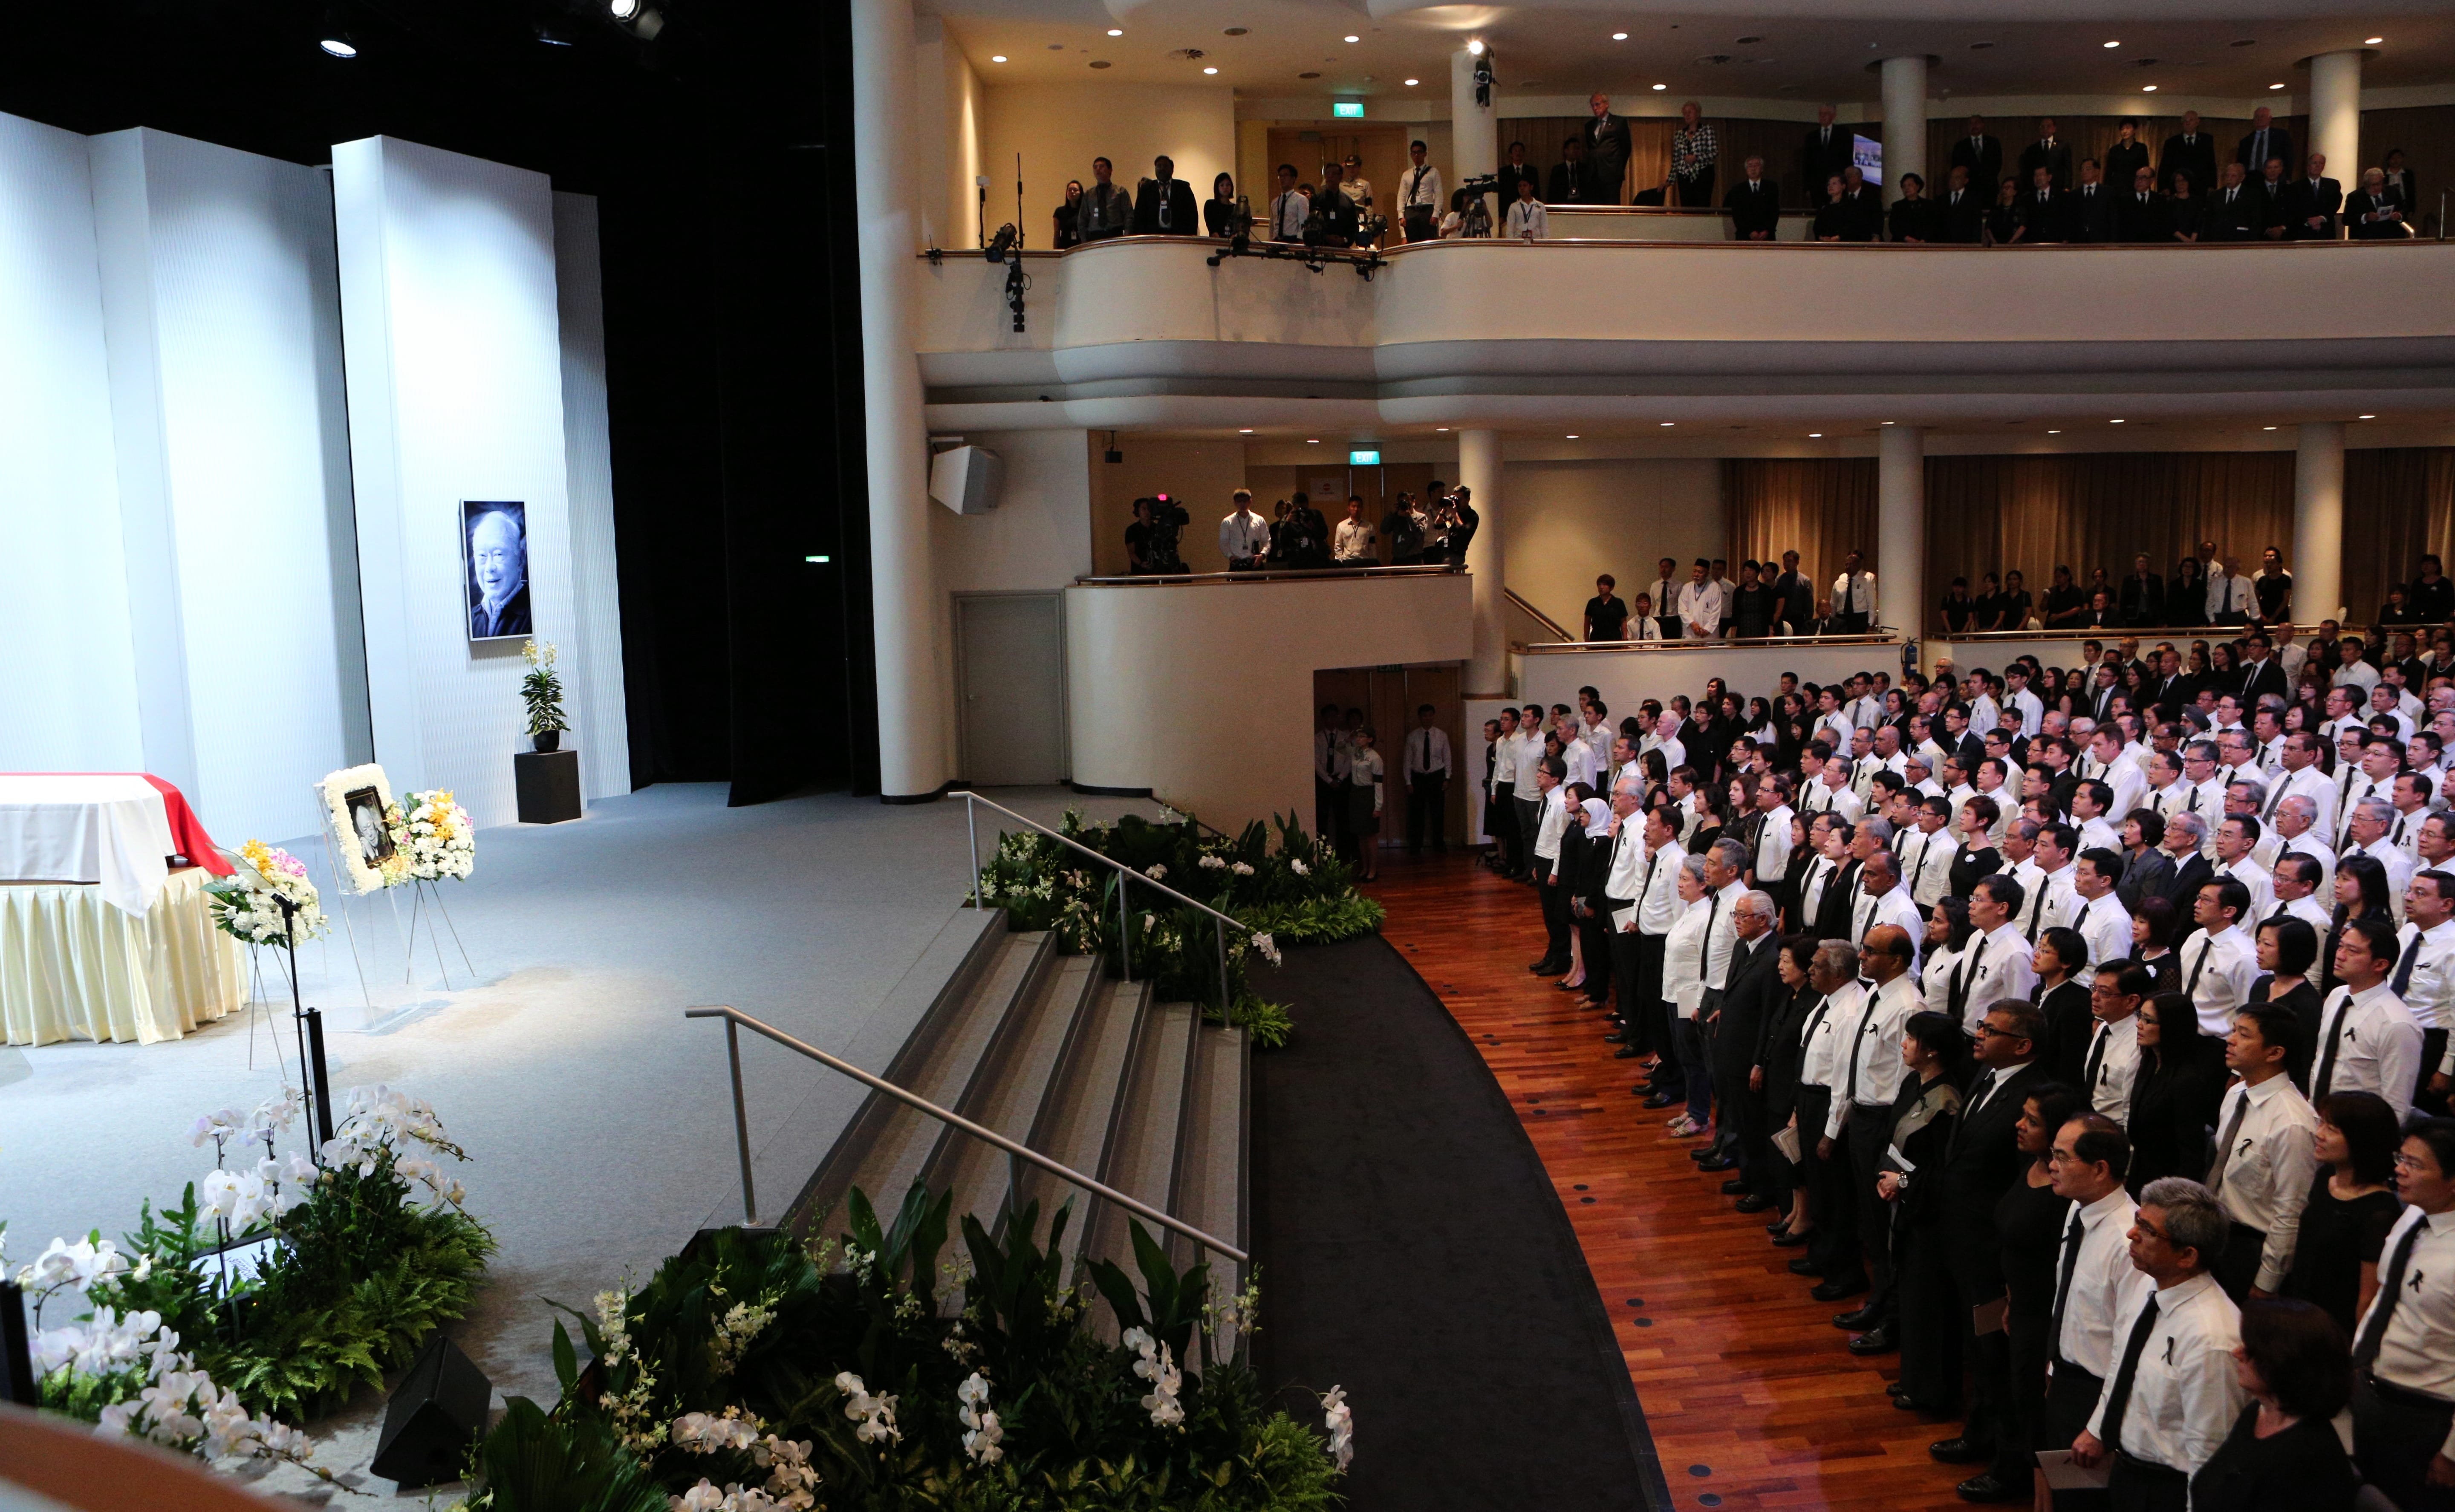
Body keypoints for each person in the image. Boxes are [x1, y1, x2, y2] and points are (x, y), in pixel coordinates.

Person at [2070, 1177, 2247, 1505]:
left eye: (2148, 1231)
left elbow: (2211, 1454)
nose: (2131, 1234)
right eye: (2138, 1220)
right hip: (2126, 1470)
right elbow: (2122, 1363)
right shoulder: (2149, 1287)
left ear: (2187, 1256)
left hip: (2168, 1491)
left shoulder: (2213, 1338)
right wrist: (2099, 1429)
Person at [2348, 1118, 2455, 1512]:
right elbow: (2384, 1297)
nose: (2399, 1170)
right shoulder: (2412, 1214)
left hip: (2426, 1416)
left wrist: (2452, 1453)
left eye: (2416, 1164)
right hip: (2371, 1390)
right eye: (2400, 1157)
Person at [1871, 1012, 1969, 1402]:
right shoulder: (1915, 1080)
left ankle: (1930, 1388)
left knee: (1927, 1303)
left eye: (1911, 1039)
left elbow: (1943, 1169)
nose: (1904, 1044)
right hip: (1902, 1202)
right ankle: (1914, 1377)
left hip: (1928, 1213)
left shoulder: (1947, 1101)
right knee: (1909, 1297)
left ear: (1932, 1051)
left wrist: (1904, 1183)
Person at [2188, 1299, 2359, 1512]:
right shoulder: (2257, 1414)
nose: (2237, 1353)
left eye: (2251, 1350)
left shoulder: (2309, 1457)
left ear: (2282, 1361)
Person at [2208, 1003, 2319, 1303]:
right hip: (2217, 1233)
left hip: (2252, 1248)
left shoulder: (2293, 1123)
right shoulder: (2235, 1094)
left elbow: (2291, 1210)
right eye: (2233, 1032)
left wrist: (2267, 1282)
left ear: (2275, 1053)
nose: (2231, 1040)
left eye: (2244, 1035)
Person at [2279, 1091, 2404, 1337]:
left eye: (2332, 1129)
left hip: (2334, 1330)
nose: (2319, 1134)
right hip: (2299, 1313)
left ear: (2361, 1140)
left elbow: (2367, 1298)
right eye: (2321, 1123)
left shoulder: (2380, 1212)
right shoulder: (2326, 1178)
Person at [2129, 992, 2224, 1191]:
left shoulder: (2187, 1081)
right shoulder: (2149, 1062)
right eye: (2140, 1016)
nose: (2139, 1024)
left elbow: (2190, 1152)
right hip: (2140, 1173)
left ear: (2172, 1028)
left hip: (2168, 1185)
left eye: (2148, 1020)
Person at [466, 505, 530, 638]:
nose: (490, 568)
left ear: (520, 559)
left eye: (498, 554)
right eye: (482, 556)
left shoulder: (535, 612)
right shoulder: (471, 618)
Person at [1401, 704, 1451, 856]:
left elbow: (1447, 757)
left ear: (1434, 716)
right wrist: (1408, 781)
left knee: (1438, 813)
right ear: (1420, 717)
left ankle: (1439, 844)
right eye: (1424, 716)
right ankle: (1416, 846)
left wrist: (1447, 777)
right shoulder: (1413, 736)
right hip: (1418, 778)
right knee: (1417, 813)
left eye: (1430, 715)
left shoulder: (1442, 735)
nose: (1427, 718)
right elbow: (1407, 761)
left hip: (1437, 776)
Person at [1583, 92, 1631, 204]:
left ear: (1606, 104)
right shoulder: (1589, 126)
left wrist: (1617, 167)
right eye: (1592, 106)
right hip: (1593, 175)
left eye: (1597, 104)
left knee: (1612, 207)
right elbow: (1591, 148)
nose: (1595, 108)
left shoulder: (1619, 122)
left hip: (1612, 174)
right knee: (1595, 208)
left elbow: (1626, 148)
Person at [1801, 104, 1852, 206]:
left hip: (1837, 183)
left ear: (1833, 116)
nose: (1823, 116)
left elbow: (1848, 159)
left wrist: (1846, 183)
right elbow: (1807, 163)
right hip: (1817, 185)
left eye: (1826, 114)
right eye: (1821, 114)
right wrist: (1807, 187)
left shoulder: (1843, 134)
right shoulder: (1811, 137)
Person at [1669, 99, 1717, 206]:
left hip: (1703, 174)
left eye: (1690, 112)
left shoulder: (1707, 130)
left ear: (1698, 113)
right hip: (1684, 176)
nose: (1687, 115)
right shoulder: (1679, 135)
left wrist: (1696, 158)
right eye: (1685, 113)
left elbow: (1714, 152)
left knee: (1702, 205)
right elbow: (1676, 159)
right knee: (1686, 207)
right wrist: (1669, 181)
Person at [1395, 139, 1443, 243]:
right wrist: (1401, 216)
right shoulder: (1406, 174)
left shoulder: (1433, 172)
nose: (1417, 155)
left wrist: (1436, 213)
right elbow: (1402, 196)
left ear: (1425, 154)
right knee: (1413, 243)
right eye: (1414, 153)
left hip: (1427, 210)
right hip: (1411, 210)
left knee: (1428, 242)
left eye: (1419, 152)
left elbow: (1439, 194)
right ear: (1411, 155)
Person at [2162, 111, 2218, 199]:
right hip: (2178, 188)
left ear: (2197, 122)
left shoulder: (2206, 140)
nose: (2187, 123)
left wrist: (2212, 186)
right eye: (2185, 120)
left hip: (2201, 187)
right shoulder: (2172, 142)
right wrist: (2165, 187)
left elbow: (2211, 164)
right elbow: (2165, 166)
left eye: (2191, 120)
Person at [2345, 166, 2413, 239]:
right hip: (2366, 239)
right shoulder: (2355, 197)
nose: (2377, 188)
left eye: (2379, 184)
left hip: (2392, 238)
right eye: (2373, 185)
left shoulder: (2393, 192)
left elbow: (2405, 209)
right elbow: (2346, 219)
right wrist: (2365, 217)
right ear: (2366, 185)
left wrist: (2399, 216)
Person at [1724, 154, 1780, 239]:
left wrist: (1767, 230)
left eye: (1756, 166)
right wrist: (1750, 232)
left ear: (1762, 169)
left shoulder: (1771, 187)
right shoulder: (1738, 189)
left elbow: (1774, 211)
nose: (1753, 169)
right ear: (1746, 170)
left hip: (1767, 236)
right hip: (1744, 236)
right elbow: (1737, 214)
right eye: (1750, 166)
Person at [1078, 156, 1131, 241]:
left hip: (1115, 234)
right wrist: (1084, 241)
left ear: (1110, 170)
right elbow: (1082, 220)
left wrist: (1127, 238)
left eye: (1102, 166)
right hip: (1094, 235)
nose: (1098, 169)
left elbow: (1128, 216)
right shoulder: (1089, 194)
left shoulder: (1120, 192)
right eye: (1095, 167)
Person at [2236, 108, 2292, 185]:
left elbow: (2289, 158)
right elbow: (2241, 163)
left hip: (2275, 177)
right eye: (2257, 117)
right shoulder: (2246, 141)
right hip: (2251, 179)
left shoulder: (2281, 136)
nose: (2259, 119)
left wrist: (2288, 177)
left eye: (2262, 116)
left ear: (2270, 119)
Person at [1219, 489, 1270, 569]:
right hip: (1237, 563)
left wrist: (1262, 555)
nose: (1242, 504)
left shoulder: (1259, 520)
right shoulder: (1227, 522)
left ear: (1250, 501)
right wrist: (1230, 557)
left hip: (1255, 562)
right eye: (1239, 501)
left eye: (1245, 501)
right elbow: (1223, 543)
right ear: (1235, 503)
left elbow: (1267, 541)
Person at [1547, 135, 1602, 206]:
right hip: (1564, 202)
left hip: (1581, 202)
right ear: (1566, 151)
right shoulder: (1558, 170)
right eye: (1574, 148)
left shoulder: (1585, 169)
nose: (1577, 151)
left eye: (1578, 149)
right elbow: (1553, 192)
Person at [1888, 173, 1937, 242]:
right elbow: (1894, 227)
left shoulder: (1929, 205)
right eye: (1904, 186)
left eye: (1910, 185)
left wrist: (1924, 240)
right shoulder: (1897, 206)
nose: (1907, 188)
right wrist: (1907, 238)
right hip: (1902, 243)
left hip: (1924, 244)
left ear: (1918, 187)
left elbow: (1933, 226)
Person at [1268, 162, 1308, 242]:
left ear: (1293, 179)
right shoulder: (1275, 202)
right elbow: (1272, 226)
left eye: (1285, 176)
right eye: (1280, 176)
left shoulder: (1301, 200)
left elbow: (1303, 223)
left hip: (1293, 240)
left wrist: (1301, 241)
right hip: (1277, 241)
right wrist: (1270, 241)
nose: (1282, 179)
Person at [1504, 176, 1548, 241]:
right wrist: (1511, 244)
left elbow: (1544, 227)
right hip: (1519, 242)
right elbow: (1510, 229)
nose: (1522, 188)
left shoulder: (1540, 206)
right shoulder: (1514, 207)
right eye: (1520, 186)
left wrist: (1545, 243)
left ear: (1531, 187)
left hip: (1536, 241)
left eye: (1525, 186)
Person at [1202, 172, 1240, 240]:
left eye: (1228, 185)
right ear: (1217, 187)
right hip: (1215, 243)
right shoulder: (1210, 205)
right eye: (1222, 185)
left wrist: (1231, 240)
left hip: (1233, 244)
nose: (1225, 188)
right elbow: (1211, 227)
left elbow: (1237, 229)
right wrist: (1221, 242)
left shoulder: (1236, 208)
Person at [1053, 179, 1084, 249]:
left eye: (1075, 190)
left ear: (1081, 193)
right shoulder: (1059, 212)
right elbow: (1057, 235)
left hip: (1080, 248)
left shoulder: (1085, 211)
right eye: (1069, 190)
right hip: (1064, 249)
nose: (1072, 192)